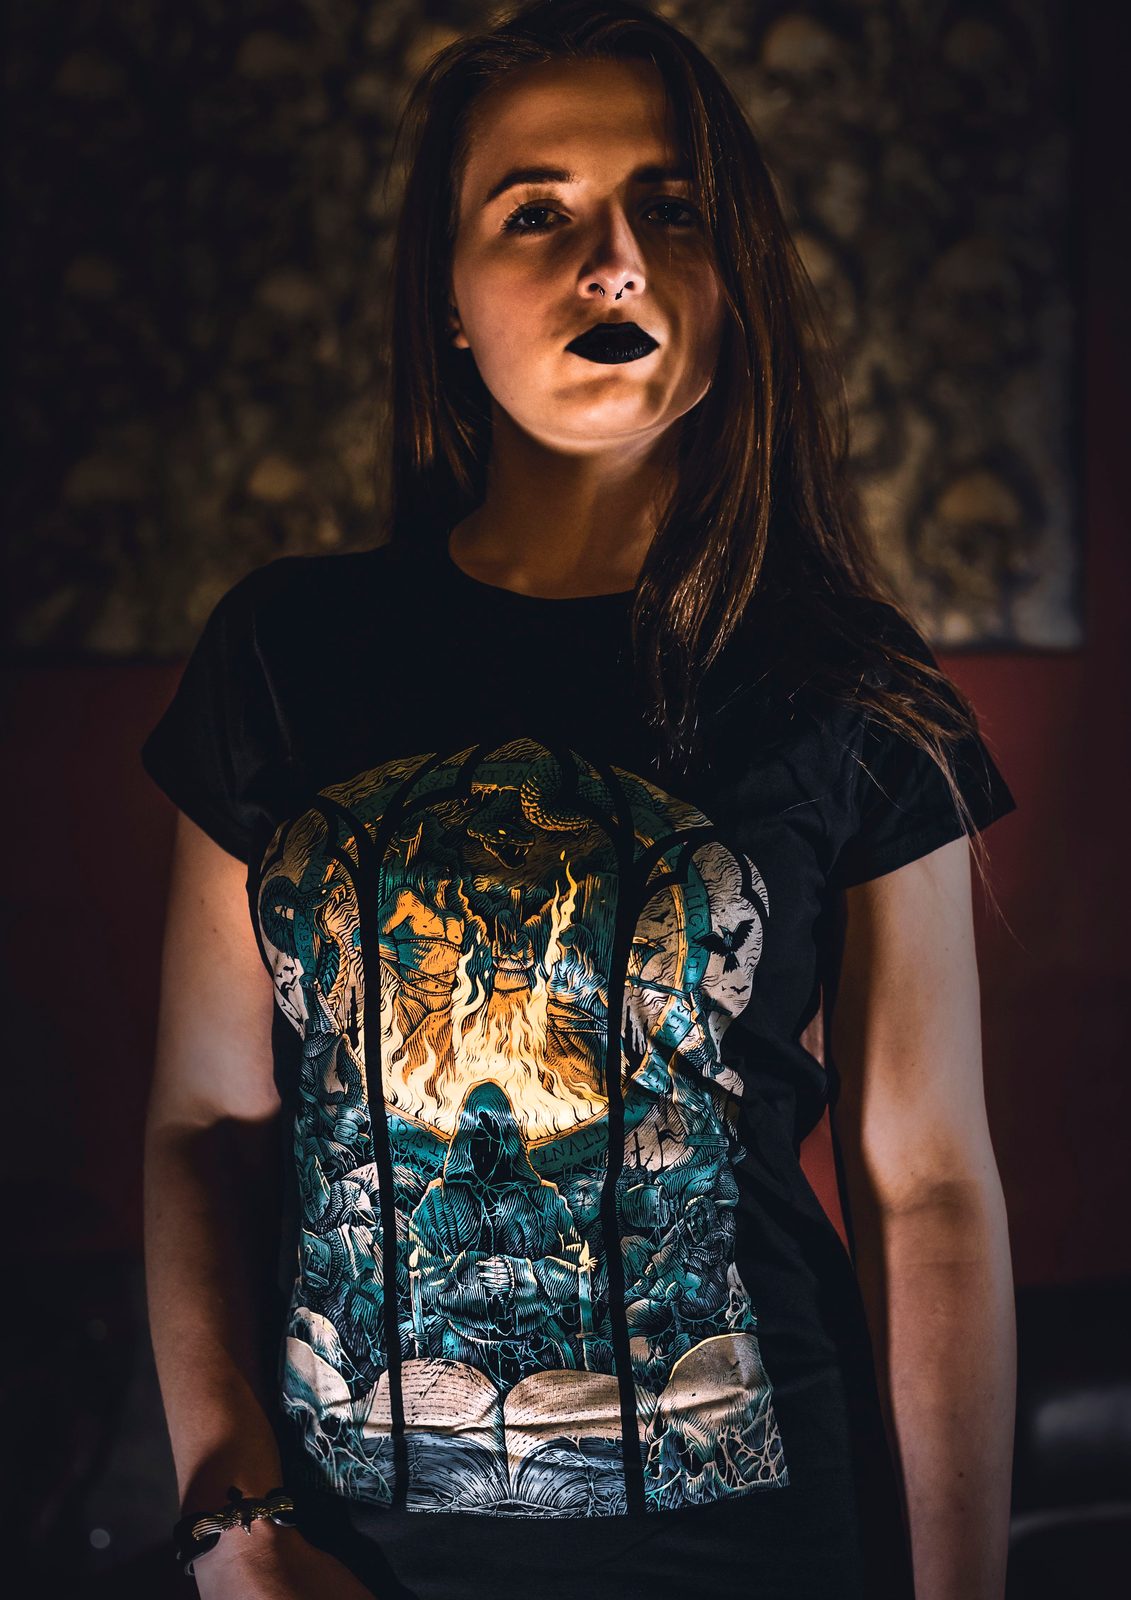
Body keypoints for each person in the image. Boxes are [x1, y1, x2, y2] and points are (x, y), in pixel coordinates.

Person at [140, 4, 1018, 1598]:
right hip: (345, 1561)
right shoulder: (284, 652)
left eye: (668, 209)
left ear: (731, 277)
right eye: (536, 212)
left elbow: (931, 1187)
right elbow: (205, 1124)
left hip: (755, 1544)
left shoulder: (851, 682)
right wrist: (233, 1534)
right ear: (449, 297)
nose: (614, 261)